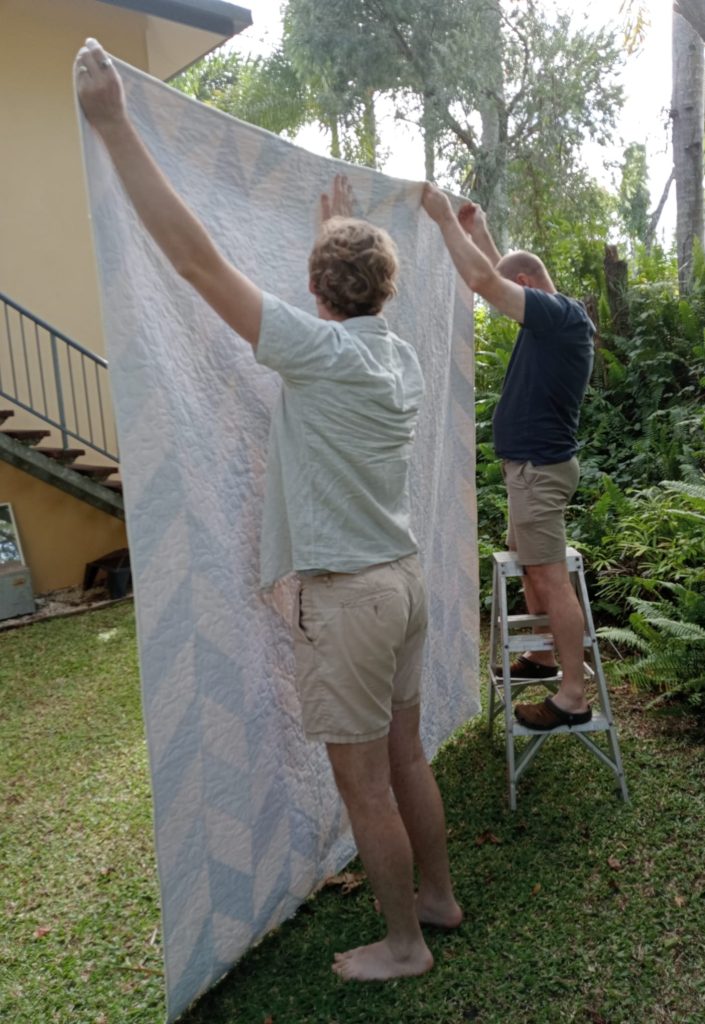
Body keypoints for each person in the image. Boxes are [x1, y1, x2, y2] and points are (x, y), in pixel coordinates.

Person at [76, 38, 461, 982]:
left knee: (361, 781)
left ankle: (403, 943)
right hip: (403, 585)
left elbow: (199, 264)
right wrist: (334, 234)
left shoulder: (321, 354)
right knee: (408, 759)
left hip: (351, 601)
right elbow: (340, 310)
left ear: (318, 295)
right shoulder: (392, 358)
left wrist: (115, 124)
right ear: (381, 292)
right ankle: (439, 898)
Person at [422, 183, 594, 732]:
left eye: (514, 292)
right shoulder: (553, 320)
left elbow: (483, 281)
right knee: (530, 571)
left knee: (549, 576)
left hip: (539, 471)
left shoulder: (561, 319)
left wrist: (444, 219)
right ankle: (543, 656)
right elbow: (500, 272)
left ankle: (572, 694)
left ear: (527, 290)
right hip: (532, 469)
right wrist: (480, 230)